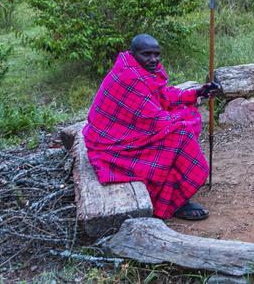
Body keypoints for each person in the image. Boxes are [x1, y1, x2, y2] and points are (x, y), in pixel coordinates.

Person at [83, 34, 221, 220]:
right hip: (110, 145)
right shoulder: (130, 77)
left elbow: (162, 96)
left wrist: (197, 92)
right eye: (147, 54)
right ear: (133, 53)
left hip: (123, 132)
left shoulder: (139, 69)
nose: (153, 59)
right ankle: (173, 202)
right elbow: (156, 120)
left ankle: (172, 183)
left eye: (156, 54)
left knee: (186, 118)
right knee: (182, 131)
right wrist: (185, 118)